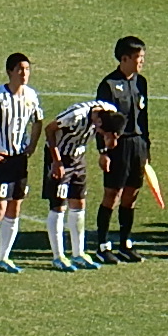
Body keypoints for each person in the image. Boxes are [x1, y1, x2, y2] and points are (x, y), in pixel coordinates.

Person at [0, 55, 42, 275]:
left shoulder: (31, 95)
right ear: (10, 72)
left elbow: (38, 120)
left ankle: (4, 257)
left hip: (19, 160)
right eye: (20, 69)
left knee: (15, 207)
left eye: (27, 69)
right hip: (0, 160)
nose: (24, 74)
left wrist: (32, 144)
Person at [44, 101, 123, 270]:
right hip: (60, 157)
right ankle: (58, 256)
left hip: (78, 157)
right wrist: (56, 162)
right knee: (58, 206)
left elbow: (105, 135)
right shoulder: (75, 115)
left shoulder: (109, 112)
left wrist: (105, 151)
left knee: (79, 202)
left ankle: (78, 253)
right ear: (99, 123)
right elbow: (49, 130)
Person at [95, 37, 151, 263]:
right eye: (138, 58)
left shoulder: (141, 83)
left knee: (132, 194)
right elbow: (99, 121)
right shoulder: (108, 85)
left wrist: (147, 148)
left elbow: (144, 117)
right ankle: (102, 244)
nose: (141, 62)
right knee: (112, 194)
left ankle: (125, 243)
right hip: (117, 146)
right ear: (124, 58)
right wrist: (103, 152)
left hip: (137, 144)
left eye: (142, 58)